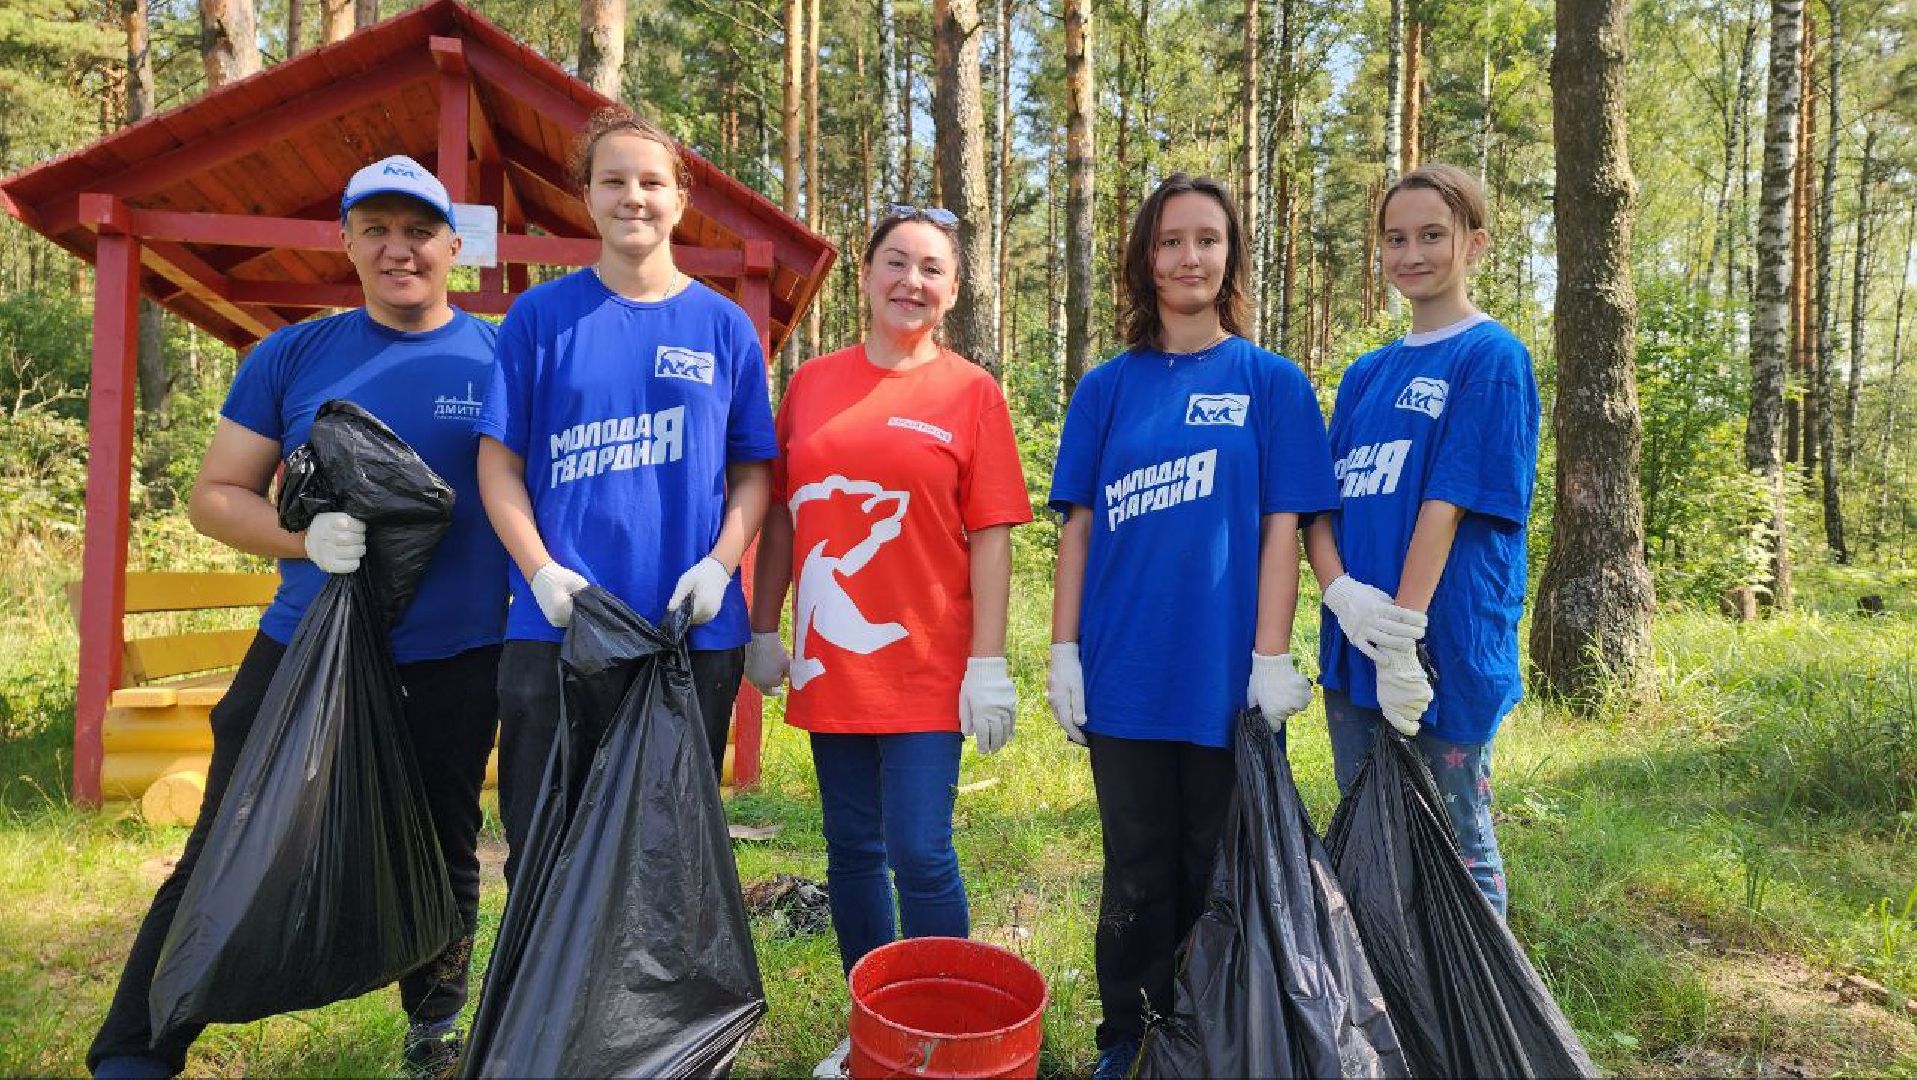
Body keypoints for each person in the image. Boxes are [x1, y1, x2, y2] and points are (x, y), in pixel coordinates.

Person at [87, 156, 507, 1080]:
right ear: (348, 243)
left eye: (418, 231)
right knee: (227, 841)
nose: (399, 249)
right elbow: (216, 497)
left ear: (452, 247)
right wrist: (303, 539)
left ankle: (433, 1034)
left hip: (453, 657)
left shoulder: (498, 356)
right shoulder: (292, 355)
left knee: (443, 851)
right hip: (304, 649)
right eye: (377, 230)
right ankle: (136, 1052)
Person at [1043, 174, 1339, 1080]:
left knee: (1218, 869)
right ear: (1144, 259)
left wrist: (1269, 656)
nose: (1188, 257)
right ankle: (1128, 1039)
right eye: (1170, 241)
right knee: (1134, 870)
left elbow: (1281, 528)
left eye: (1206, 239)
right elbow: (1079, 528)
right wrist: (1062, 654)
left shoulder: (1271, 383)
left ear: (1230, 256)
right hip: (1125, 673)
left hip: (1224, 679)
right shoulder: (1106, 388)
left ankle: (1212, 1036)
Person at [744, 204, 1031, 1079]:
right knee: (852, 851)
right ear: (866, 277)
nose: (913, 281)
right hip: (834, 666)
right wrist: (763, 626)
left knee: (919, 845)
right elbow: (789, 519)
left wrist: (988, 661)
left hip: (928, 664)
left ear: (952, 289)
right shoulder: (811, 385)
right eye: (896, 263)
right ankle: (872, 1020)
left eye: (932, 269)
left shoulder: (969, 392)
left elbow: (990, 534)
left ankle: (944, 1021)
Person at [474, 107, 775, 884]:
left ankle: (654, 1006)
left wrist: (720, 565)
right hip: (558, 630)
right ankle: (546, 1006)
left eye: (651, 181)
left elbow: (752, 473)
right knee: (544, 842)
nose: (632, 197)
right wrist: (541, 571)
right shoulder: (540, 317)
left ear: (680, 198)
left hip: (689, 633)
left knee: (669, 843)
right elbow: (498, 463)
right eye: (613, 180)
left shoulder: (724, 326)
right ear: (587, 196)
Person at [1305, 162, 1541, 919]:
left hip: (1440, 644)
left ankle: (1481, 1023)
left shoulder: (1489, 357)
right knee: (1370, 823)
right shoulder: (1366, 375)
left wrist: (1403, 631)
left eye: (1432, 235)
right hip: (1356, 641)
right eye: (1394, 237)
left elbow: (1448, 500)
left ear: (1474, 243)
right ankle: (1395, 1006)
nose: (1411, 253)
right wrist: (1340, 595)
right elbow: (1320, 503)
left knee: (1457, 836)